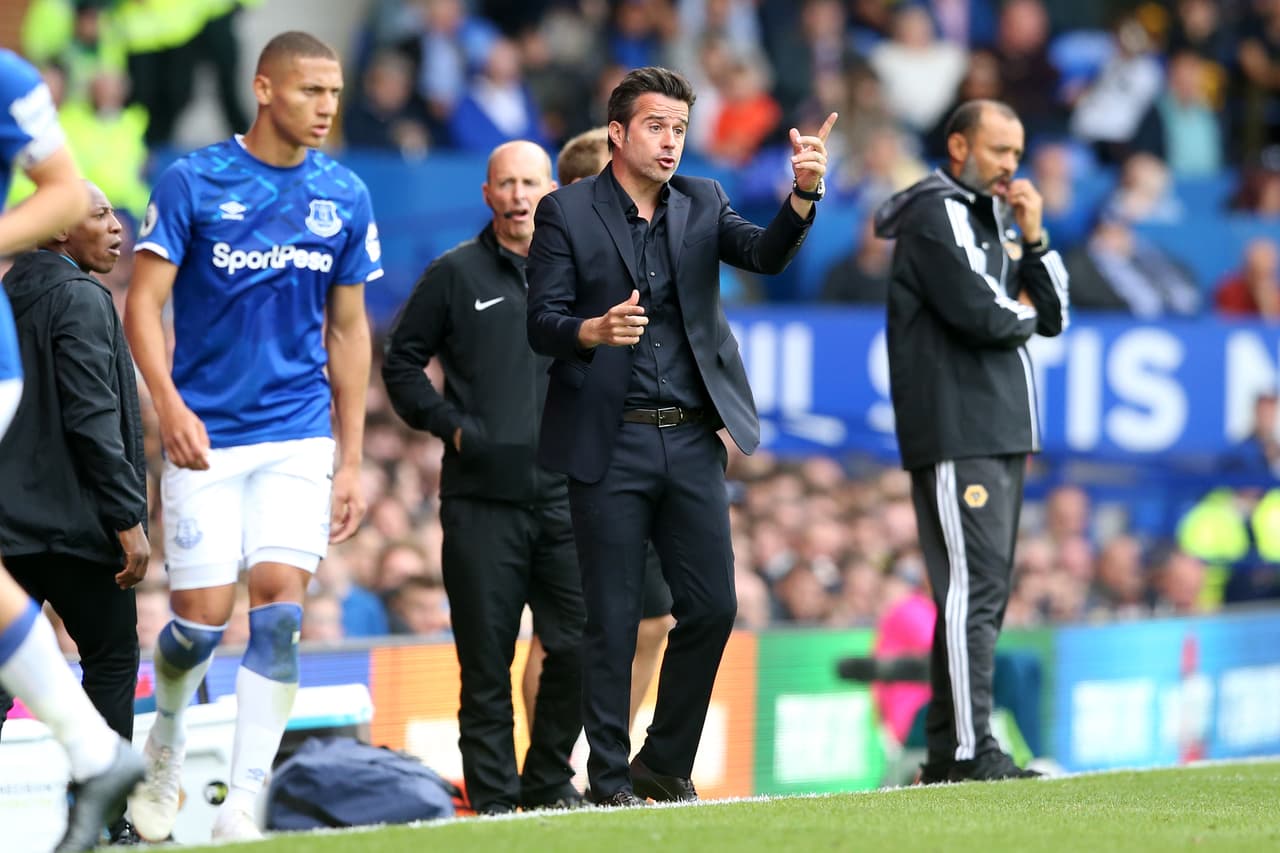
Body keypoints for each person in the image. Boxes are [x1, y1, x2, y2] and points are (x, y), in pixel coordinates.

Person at [526, 65, 835, 806]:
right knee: (611, 619)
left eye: (680, 129)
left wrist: (803, 194)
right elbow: (541, 323)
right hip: (610, 441)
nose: (671, 142)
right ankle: (607, 780)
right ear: (618, 132)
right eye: (657, 127)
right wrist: (591, 330)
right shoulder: (566, 211)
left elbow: (764, 254)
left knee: (713, 605)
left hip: (694, 437)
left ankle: (662, 761)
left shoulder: (704, 199)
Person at [123, 31, 382, 841]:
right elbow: (142, 304)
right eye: (311, 91)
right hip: (205, 434)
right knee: (198, 625)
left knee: (278, 614)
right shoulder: (194, 178)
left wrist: (351, 459)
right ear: (265, 89)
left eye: (334, 93)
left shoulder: (344, 193)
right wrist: (168, 405)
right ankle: (164, 741)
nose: (327, 107)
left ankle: (242, 802)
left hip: (298, 433)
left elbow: (350, 331)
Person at [381, 140, 584, 814]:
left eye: (530, 182)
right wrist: (451, 425)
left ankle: (548, 781)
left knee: (577, 647)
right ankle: (495, 804)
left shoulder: (584, 273)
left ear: (551, 190)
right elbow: (401, 361)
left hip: (568, 499)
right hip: (480, 503)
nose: (519, 195)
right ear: (487, 193)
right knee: (485, 664)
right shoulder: (454, 273)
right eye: (506, 183)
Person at [873, 98, 1069, 782]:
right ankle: (969, 747)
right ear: (959, 146)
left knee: (981, 589)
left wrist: (1035, 238)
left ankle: (947, 748)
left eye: (1017, 153)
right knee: (972, 586)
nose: (1011, 165)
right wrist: (1024, 310)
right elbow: (983, 312)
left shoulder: (999, 215)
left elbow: (1056, 314)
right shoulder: (937, 213)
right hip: (959, 426)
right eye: (998, 150)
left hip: (998, 425)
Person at [0, 47, 146, 853]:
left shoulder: (6, 294)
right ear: (57, 224)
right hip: (82, 532)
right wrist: (128, 519)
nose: (116, 226)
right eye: (100, 214)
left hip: (8, 532)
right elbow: (94, 419)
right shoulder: (82, 297)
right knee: (112, 659)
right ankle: (105, 818)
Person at [520, 126, 676, 738]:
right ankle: (549, 765)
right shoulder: (546, 270)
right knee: (565, 627)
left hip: (629, 452)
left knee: (653, 620)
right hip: (563, 461)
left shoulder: (646, 261)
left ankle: (602, 759)